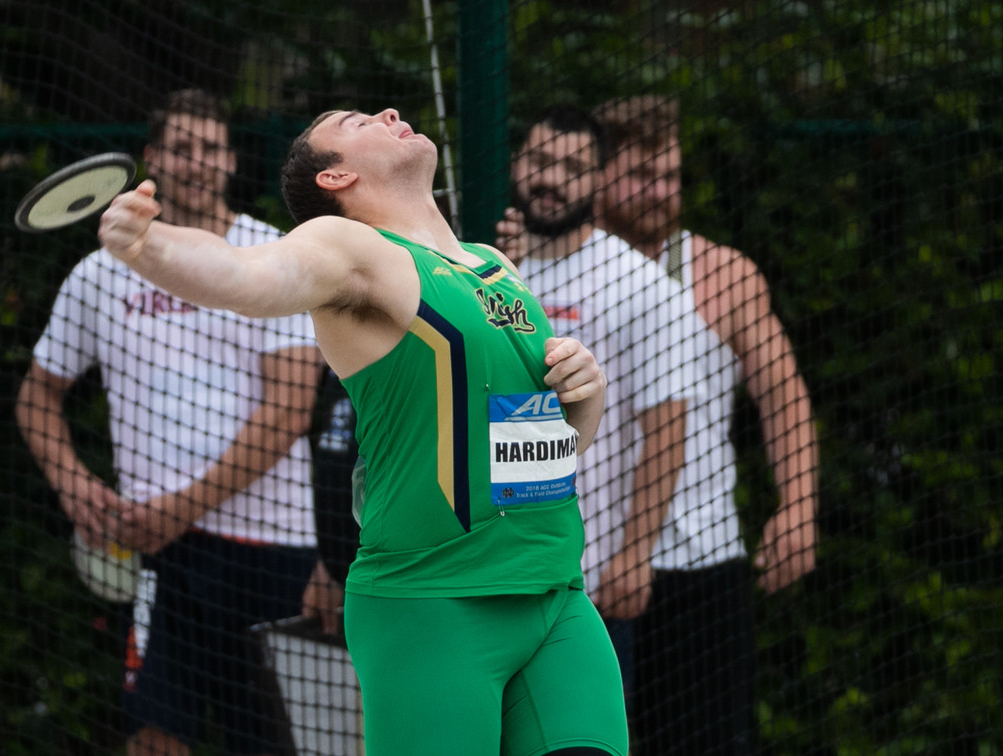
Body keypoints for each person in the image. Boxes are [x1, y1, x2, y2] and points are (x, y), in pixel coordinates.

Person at [95, 105, 627, 756]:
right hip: (432, 609)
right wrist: (150, 244)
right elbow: (245, 275)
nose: (389, 112)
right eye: (355, 121)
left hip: (557, 598)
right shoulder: (350, 251)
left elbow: (539, 462)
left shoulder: (494, 264)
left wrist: (586, 400)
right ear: (335, 178)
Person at [15, 89, 341, 756]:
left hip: (273, 550)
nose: (197, 162)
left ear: (230, 160)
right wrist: (74, 484)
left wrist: (181, 507)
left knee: (283, 745)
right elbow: (35, 397)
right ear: (151, 158)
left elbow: (287, 409)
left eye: (210, 148)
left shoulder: (275, 257)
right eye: (181, 148)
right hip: (163, 557)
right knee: (154, 741)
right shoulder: (101, 271)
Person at [592, 94, 820, 755]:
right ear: (601, 174)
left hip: (699, 559)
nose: (661, 193)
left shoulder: (724, 274)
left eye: (672, 177)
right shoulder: (553, 269)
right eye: (641, 175)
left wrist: (799, 507)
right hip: (585, 564)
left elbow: (783, 396)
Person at [501, 105, 689, 700]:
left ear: (599, 180)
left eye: (572, 166)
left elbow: (667, 427)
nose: (550, 178)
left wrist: (636, 555)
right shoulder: (481, 267)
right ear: (515, 164)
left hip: (586, 574)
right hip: (489, 565)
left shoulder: (640, 284)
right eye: (539, 160)